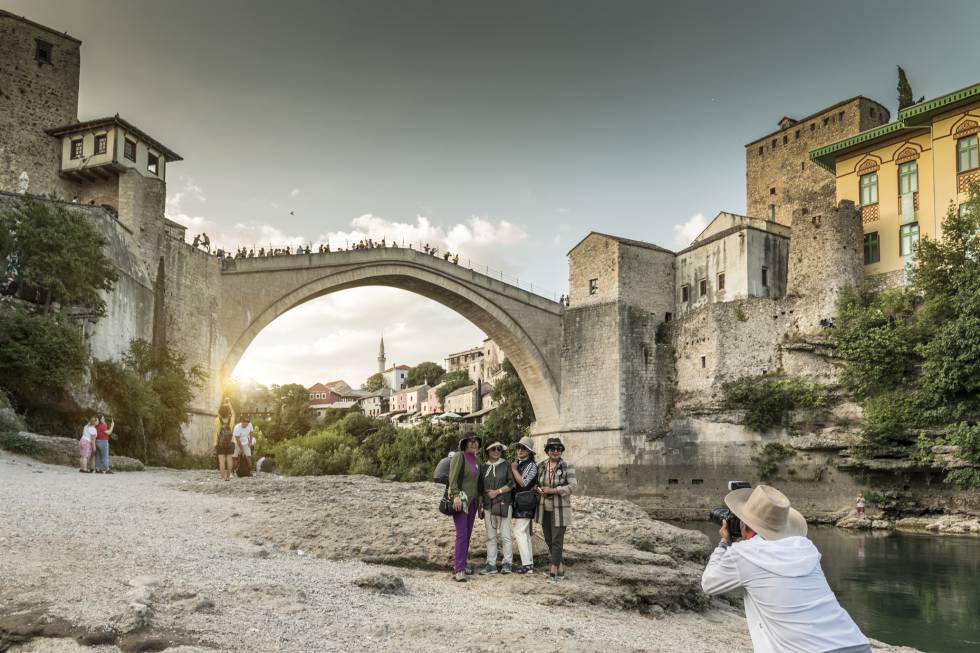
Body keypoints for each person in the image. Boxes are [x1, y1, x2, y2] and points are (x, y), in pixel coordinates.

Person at [701, 484, 871, 653]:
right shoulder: (806, 548)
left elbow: (709, 584)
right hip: (855, 643)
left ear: (744, 525)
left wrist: (725, 542)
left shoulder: (743, 554)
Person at [534, 437, 576, 583]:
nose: (556, 451)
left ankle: (553, 571)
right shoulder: (541, 466)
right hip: (543, 507)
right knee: (548, 538)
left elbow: (572, 486)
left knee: (557, 539)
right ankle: (561, 567)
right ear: (547, 451)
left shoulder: (567, 466)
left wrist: (553, 490)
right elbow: (536, 484)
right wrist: (539, 490)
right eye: (552, 449)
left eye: (559, 449)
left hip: (560, 508)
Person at [448, 432, 484, 582]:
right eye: (470, 441)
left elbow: (479, 484)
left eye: (475, 441)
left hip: (473, 503)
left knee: (467, 535)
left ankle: (461, 563)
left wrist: (481, 504)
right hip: (460, 501)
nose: (473, 443)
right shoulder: (459, 456)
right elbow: (453, 478)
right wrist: (455, 495)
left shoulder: (478, 459)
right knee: (462, 534)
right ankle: (459, 569)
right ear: (464, 443)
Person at [479, 442, 515, 575]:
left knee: (505, 535)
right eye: (493, 449)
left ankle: (507, 563)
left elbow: (511, 484)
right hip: (488, 506)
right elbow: (481, 489)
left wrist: (497, 491)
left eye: (499, 449)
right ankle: (491, 564)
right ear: (487, 451)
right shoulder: (483, 467)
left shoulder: (506, 464)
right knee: (490, 536)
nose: (496, 451)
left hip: (504, 503)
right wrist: (479, 507)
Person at [510, 436, 538, 574]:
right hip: (520, 502)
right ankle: (529, 564)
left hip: (526, 502)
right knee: (525, 533)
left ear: (529, 452)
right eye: (518, 448)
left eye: (524, 448)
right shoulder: (520, 463)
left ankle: (526, 564)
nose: (520, 450)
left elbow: (524, 483)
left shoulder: (531, 465)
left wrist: (514, 470)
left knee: (519, 531)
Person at [214, 399, 235, 481]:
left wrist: (215, 442)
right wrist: (229, 405)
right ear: (228, 412)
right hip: (231, 442)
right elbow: (233, 413)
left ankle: (223, 477)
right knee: (229, 460)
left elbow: (217, 432)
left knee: (221, 461)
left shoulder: (217, 420)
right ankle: (228, 477)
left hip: (220, 443)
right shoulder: (231, 420)